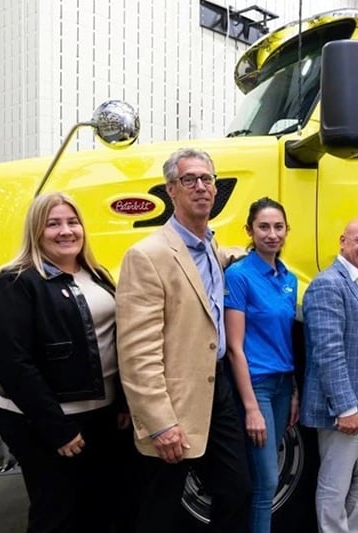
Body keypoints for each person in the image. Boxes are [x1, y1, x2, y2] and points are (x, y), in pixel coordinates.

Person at [116, 147, 250, 532]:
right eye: (189, 180)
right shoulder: (147, 256)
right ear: (170, 190)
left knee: (236, 489)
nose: (201, 187)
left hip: (217, 386)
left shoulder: (209, 245)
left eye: (207, 179)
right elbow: (137, 352)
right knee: (161, 504)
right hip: (174, 398)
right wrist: (160, 423)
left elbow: (212, 269)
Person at [0, 192, 130, 533]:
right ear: (36, 231)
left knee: (101, 511)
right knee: (56, 514)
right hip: (45, 422)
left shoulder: (97, 275)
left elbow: (116, 343)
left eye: (72, 222)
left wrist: (122, 401)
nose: (66, 231)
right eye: (53, 224)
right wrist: (56, 428)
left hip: (101, 415)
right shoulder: (12, 282)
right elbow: (13, 364)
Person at [300, 219, 358, 533]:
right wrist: (344, 407)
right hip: (345, 404)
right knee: (335, 483)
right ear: (342, 242)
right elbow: (328, 351)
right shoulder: (329, 284)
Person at [224, 197, 299, 533]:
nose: (272, 234)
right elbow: (234, 348)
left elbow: (285, 339)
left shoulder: (288, 278)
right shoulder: (239, 276)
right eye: (264, 227)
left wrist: (294, 389)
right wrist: (251, 407)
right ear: (250, 231)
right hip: (256, 386)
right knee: (267, 481)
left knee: (265, 477)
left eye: (278, 227)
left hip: (283, 385)